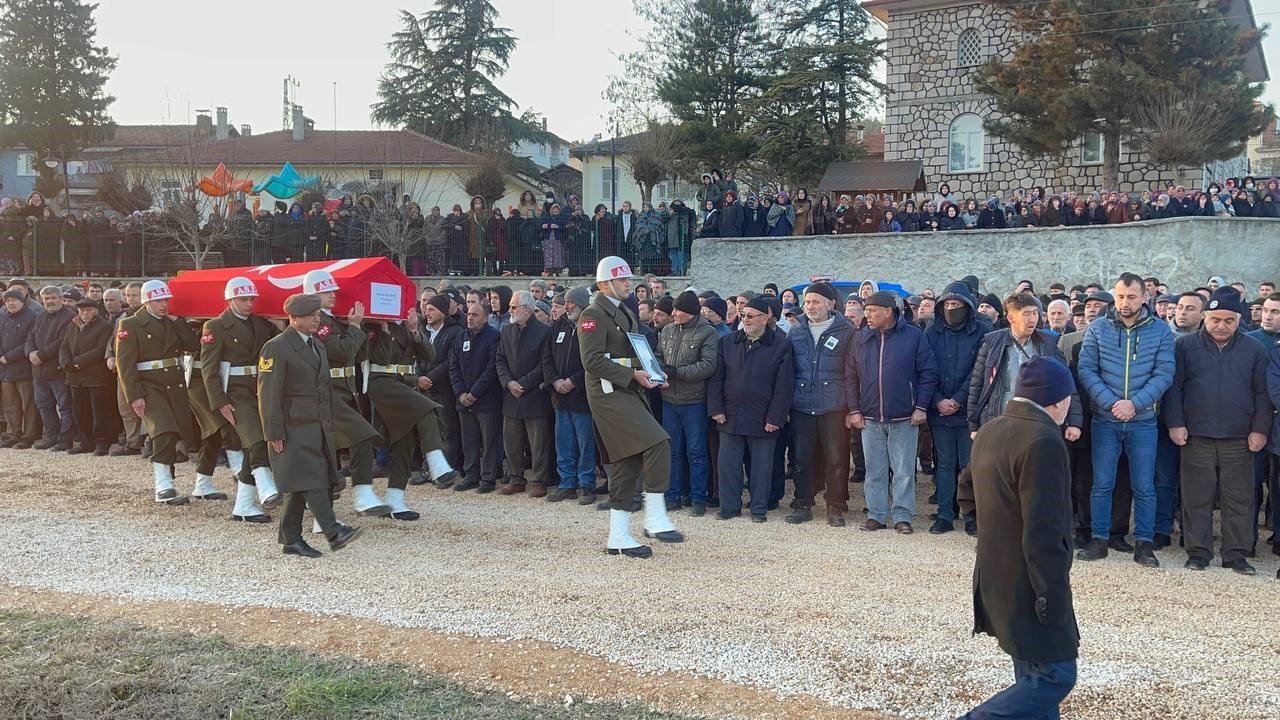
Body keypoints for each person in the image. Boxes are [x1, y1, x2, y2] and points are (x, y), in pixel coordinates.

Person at [960, 357, 1079, 720]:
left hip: (995, 574)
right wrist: (1051, 597)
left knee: (1031, 672)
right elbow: (1044, 532)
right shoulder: (1043, 439)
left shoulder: (993, 428)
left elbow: (966, 489)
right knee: (1055, 675)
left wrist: (993, 531)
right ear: (1058, 401)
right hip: (1029, 582)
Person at [578, 256, 683, 558]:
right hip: (609, 395)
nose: (628, 283)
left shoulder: (623, 312)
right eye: (621, 279)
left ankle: (618, 537)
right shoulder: (593, 314)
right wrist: (632, 375)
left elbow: (636, 351)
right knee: (658, 441)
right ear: (604, 284)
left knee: (627, 465)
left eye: (627, 277)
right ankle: (655, 516)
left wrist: (652, 373)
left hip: (629, 390)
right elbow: (592, 360)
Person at [1164, 288, 1270, 575]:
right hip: (1196, 436)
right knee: (1196, 496)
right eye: (1215, 319)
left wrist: (1260, 430)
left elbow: (1262, 393)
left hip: (1239, 438)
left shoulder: (1254, 349)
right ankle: (1199, 552)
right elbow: (1174, 389)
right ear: (1205, 317)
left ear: (1239, 320)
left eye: (1228, 320)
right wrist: (1175, 423)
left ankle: (1236, 554)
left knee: (1239, 498)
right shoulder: (1185, 347)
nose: (1221, 326)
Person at [1075, 273, 1175, 566]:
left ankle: (1144, 544)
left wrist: (1135, 404)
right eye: (1120, 296)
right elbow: (1087, 370)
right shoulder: (1098, 329)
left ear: (1145, 297)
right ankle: (1099, 540)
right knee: (1102, 483)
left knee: (1144, 484)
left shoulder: (1160, 331)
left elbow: (1164, 373)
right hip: (1105, 419)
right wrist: (1112, 403)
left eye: (1131, 296)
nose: (1125, 302)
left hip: (1143, 421)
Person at [258, 292, 363, 559]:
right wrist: (273, 431)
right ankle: (333, 531)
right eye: (311, 315)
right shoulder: (276, 347)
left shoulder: (316, 345)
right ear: (293, 318)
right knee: (312, 477)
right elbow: (268, 393)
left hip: (316, 424)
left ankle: (290, 538)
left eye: (317, 314)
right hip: (292, 425)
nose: (317, 319)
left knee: (299, 482)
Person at [848, 291, 938, 534]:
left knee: (903, 470)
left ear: (889, 311)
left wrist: (920, 407)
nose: (867, 315)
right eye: (865, 310)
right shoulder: (861, 337)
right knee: (874, 470)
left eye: (872, 310)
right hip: (869, 417)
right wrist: (854, 409)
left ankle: (902, 516)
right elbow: (851, 376)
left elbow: (928, 373)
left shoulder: (913, 336)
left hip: (904, 416)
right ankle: (876, 514)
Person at [305, 270, 391, 518]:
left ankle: (323, 513)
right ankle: (362, 495)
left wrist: (359, 327)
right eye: (326, 291)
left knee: (328, 449)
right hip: (327, 391)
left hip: (346, 391)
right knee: (362, 436)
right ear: (313, 293)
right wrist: (354, 327)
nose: (332, 295)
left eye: (333, 291)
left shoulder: (334, 320)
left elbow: (359, 355)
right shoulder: (318, 322)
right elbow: (341, 352)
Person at [363, 303, 459, 520]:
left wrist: (415, 330)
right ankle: (437, 464)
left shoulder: (409, 326)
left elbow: (429, 354)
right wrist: (384, 328)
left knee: (404, 442)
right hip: (383, 383)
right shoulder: (372, 326)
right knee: (426, 409)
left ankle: (395, 500)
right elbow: (378, 359)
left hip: (406, 384)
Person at [200, 277, 282, 521]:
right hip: (234, 391)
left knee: (260, 438)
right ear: (230, 300)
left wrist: (279, 327)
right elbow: (209, 369)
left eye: (251, 299)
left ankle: (244, 505)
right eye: (243, 299)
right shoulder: (214, 326)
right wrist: (220, 402)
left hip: (258, 388)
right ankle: (267, 487)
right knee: (255, 437)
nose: (249, 304)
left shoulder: (260, 324)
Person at [709, 296, 794, 521]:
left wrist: (775, 418)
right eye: (743, 315)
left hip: (763, 417)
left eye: (750, 316)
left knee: (761, 468)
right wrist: (716, 408)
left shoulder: (781, 346)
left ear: (765, 319)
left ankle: (758, 508)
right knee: (728, 465)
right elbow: (717, 379)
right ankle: (729, 506)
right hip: (731, 414)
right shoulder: (727, 343)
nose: (744, 319)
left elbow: (783, 387)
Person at [114, 280, 198, 505]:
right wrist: (134, 395)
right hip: (149, 385)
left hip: (173, 384)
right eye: (158, 301)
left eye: (166, 300)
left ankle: (168, 478)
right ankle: (163, 485)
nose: (164, 305)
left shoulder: (171, 323)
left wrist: (179, 322)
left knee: (174, 432)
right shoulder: (131, 324)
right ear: (147, 301)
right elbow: (125, 363)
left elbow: (193, 345)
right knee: (162, 430)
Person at [785, 282, 857, 526]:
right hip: (802, 405)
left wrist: (851, 407)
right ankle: (803, 503)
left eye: (816, 301)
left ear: (830, 303)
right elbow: (788, 369)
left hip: (834, 406)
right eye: (807, 302)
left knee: (835, 459)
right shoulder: (796, 331)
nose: (811, 306)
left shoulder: (845, 331)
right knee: (802, 459)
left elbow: (852, 372)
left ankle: (835, 505)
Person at [923, 282, 985, 534]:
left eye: (956, 304)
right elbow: (926, 367)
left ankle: (972, 514)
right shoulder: (931, 331)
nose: (951, 309)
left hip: (968, 410)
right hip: (939, 409)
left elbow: (977, 371)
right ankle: (945, 513)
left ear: (967, 307)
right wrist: (938, 399)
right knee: (945, 464)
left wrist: (958, 399)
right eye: (947, 304)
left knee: (968, 464)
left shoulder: (981, 331)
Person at [656, 290, 719, 515]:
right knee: (672, 451)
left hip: (694, 401)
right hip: (669, 400)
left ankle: (698, 498)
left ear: (690, 312)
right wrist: (660, 372)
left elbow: (707, 366)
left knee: (696, 452)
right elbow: (659, 357)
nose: (672, 314)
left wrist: (675, 373)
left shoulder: (707, 333)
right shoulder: (667, 330)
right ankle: (673, 495)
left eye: (677, 310)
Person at [495, 291, 554, 497]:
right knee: (511, 440)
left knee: (538, 442)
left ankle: (540, 480)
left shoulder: (544, 332)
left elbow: (544, 364)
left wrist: (523, 384)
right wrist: (508, 382)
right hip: (511, 395)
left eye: (513, 307)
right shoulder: (507, 331)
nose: (509, 310)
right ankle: (515, 478)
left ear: (526, 310)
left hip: (534, 395)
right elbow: (500, 360)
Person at [543, 286, 597, 504]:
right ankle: (567, 483)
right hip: (560, 396)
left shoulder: (591, 325)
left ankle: (586, 485)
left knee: (585, 444)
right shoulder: (558, 326)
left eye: (569, 302)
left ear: (582, 303)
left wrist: (573, 381)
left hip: (582, 396)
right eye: (564, 302)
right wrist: (555, 380)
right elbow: (546, 356)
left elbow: (595, 360)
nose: (565, 306)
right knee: (563, 442)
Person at [59, 296, 113, 455]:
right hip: (75, 377)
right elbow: (64, 345)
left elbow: (100, 349)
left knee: (99, 412)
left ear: (96, 310)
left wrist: (77, 362)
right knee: (79, 412)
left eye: (88, 310)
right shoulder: (73, 324)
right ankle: (85, 442)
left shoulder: (104, 326)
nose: (85, 313)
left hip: (96, 377)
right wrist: (65, 362)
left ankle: (102, 443)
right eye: (82, 310)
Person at [419, 289, 464, 478]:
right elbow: (418, 355)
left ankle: (446, 469)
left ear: (443, 312)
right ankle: (427, 468)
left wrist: (431, 378)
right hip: (424, 389)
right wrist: (420, 376)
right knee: (427, 431)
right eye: (426, 308)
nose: (427, 312)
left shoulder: (455, 332)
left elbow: (450, 361)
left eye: (432, 309)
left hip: (443, 389)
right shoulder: (423, 331)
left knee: (448, 431)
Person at [27, 285, 75, 451]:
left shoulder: (69, 317)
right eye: (46, 299)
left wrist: (40, 354)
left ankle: (66, 438)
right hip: (39, 371)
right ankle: (51, 437)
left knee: (65, 406)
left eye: (53, 298)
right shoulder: (40, 316)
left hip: (58, 370)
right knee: (44, 405)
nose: (50, 301)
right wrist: (30, 352)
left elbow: (63, 341)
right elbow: (30, 337)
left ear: (61, 299)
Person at [0, 288, 38, 448]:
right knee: (10, 403)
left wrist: (9, 356)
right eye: (7, 301)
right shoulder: (3, 317)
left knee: (28, 404)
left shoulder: (32, 317)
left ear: (22, 301)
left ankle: (28, 435)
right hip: (5, 369)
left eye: (14, 300)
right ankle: (12, 433)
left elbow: (29, 342)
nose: (10, 303)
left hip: (23, 369)